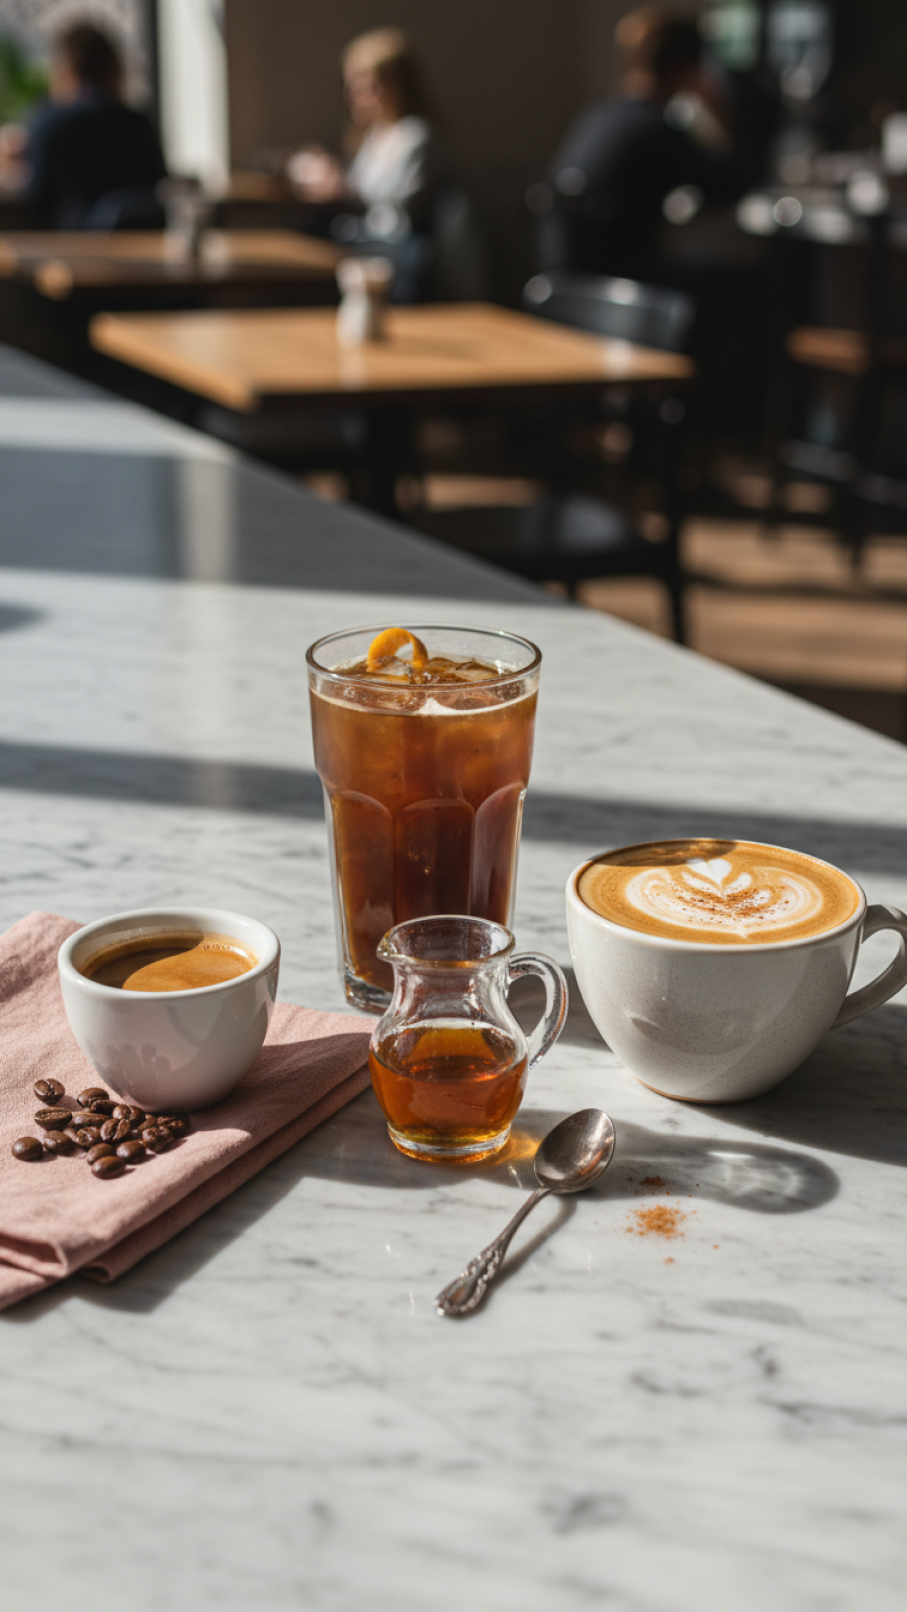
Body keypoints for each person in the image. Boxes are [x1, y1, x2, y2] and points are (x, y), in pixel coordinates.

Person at [536, 6, 743, 281]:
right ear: (688, 72)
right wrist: (718, 113)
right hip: (622, 289)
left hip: (563, 284)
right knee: (737, 283)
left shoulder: (599, 114)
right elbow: (730, 186)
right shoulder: (657, 129)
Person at [287, 26, 434, 277]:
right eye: (352, 87)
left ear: (397, 85)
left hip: (390, 246)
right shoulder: (376, 134)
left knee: (313, 243)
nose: (354, 97)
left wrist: (344, 188)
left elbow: (403, 207)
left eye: (367, 87)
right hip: (364, 236)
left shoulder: (415, 135)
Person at [18, 22, 166, 229]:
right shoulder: (137, 123)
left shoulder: (48, 122)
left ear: (65, 68)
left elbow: (37, 196)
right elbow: (157, 187)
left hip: (75, 248)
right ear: (113, 66)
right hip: (139, 243)